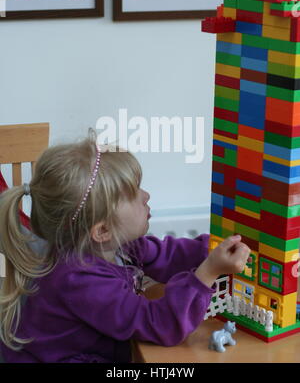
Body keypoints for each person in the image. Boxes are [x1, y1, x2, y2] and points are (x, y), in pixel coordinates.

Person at [0, 132, 250, 363]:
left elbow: (169, 255)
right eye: (133, 193)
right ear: (102, 231)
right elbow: (161, 325)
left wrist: (217, 248)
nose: (146, 195)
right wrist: (208, 272)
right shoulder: (79, 279)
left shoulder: (117, 247)